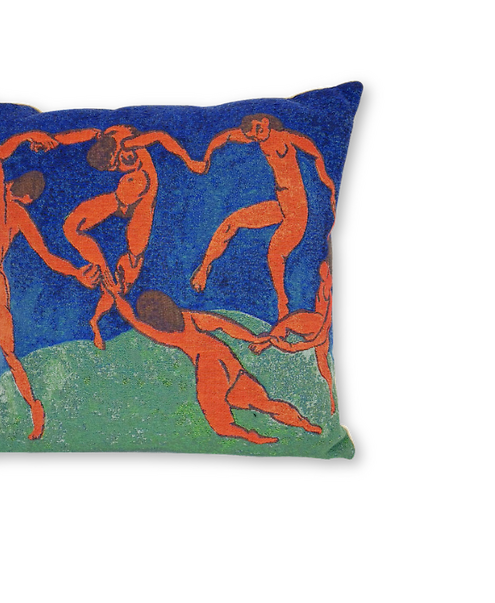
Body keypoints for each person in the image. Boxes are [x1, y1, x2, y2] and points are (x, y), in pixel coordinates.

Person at [33, 124, 207, 349]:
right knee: (71, 226)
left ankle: (96, 319)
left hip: (142, 204)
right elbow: (73, 136)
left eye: (115, 164)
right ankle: (103, 270)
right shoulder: (103, 136)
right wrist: (50, 139)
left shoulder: (129, 143)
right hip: (120, 198)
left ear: (117, 151)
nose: (116, 169)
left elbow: (160, 136)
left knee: (125, 278)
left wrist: (189, 160)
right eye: (111, 168)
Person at [0, 130, 101, 439]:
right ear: (25, 195)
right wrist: (30, 134)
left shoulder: (10, 208)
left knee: (7, 352)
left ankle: (34, 406)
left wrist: (76, 272)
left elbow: (47, 256)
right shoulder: (7, 205)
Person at [101, 276, 322, 444]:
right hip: (227, 359)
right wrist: (253, 337)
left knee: (221, 425)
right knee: (265, 404)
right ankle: (305, 424)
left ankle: (252, 437)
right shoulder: (189, 317)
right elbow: (223, 325)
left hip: (209, 366)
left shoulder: (162, 333)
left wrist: (116, 295)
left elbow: (131, 318)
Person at [191, 114, 336, 321]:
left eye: (259, 129)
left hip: (297, 212)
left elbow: (315, 154)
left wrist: (329, 184)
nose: (257, 136)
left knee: (275, 255)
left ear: (266, 122)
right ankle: (204, 268)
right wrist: (206, 158)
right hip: (280, 205)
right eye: (253, 135)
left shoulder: (286, 138)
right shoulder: (258, 137)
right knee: (232, 222)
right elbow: (226, 137)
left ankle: (283, 305)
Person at [249, 257, 335, 413]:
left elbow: (325, 326)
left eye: (325, 268)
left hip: (318, 325)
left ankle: (265, 343)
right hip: (318, 328)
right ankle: (331, 400)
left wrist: (296, 346)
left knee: (289, 323)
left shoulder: (327, 287)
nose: (321, 269)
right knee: (322, 364)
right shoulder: (324, 282)